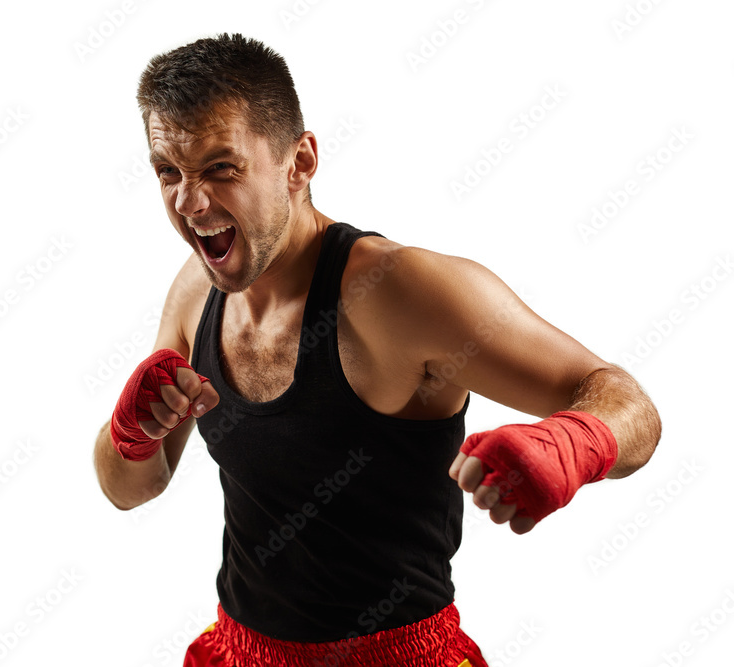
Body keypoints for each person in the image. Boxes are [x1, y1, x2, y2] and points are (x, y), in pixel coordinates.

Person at [92, 33, 661, 667]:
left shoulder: (398, 294)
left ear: (299, 163)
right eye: (169, 171)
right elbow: (128, 490)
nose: (189, 203)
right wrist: (132, 431)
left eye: (221, 169)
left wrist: (570, 445)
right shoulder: (196, 291)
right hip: (238, 651)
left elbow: (631, 407)